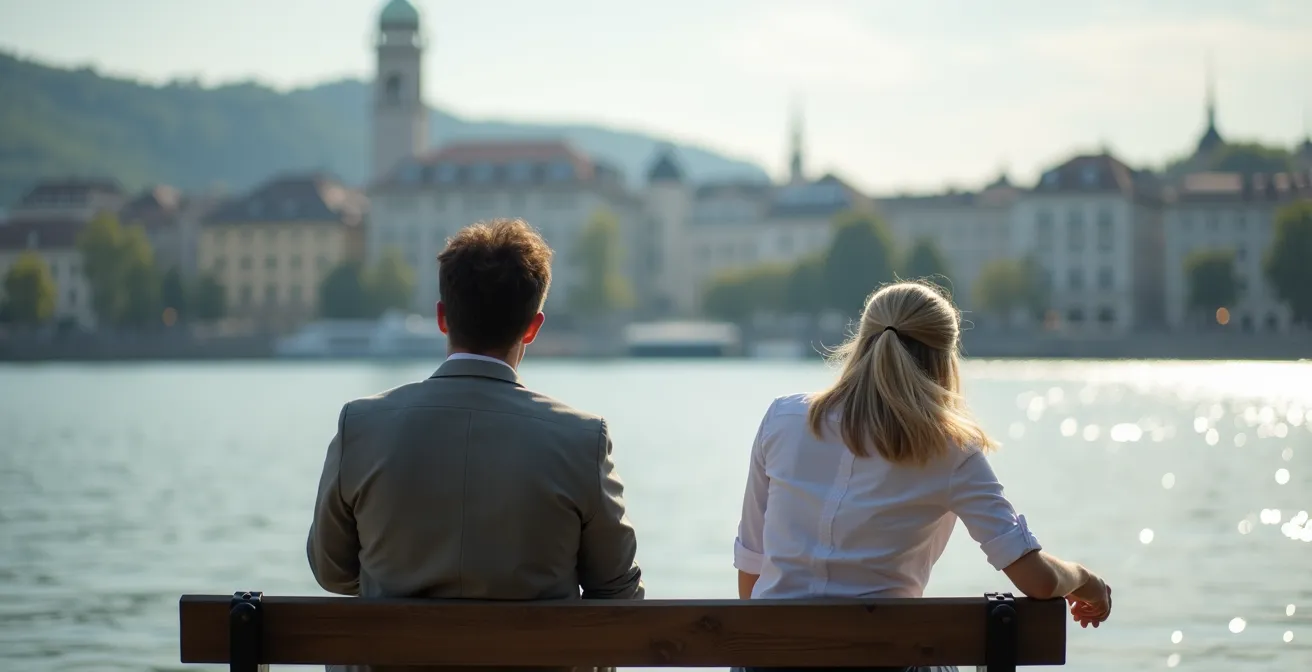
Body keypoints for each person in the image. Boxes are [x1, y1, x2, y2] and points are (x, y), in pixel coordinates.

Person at [307, 218, 643, 672]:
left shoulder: (361, 426)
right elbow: (617, 591)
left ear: (442, 317)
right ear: (533, 327)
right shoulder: (582, 439)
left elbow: (332, 572)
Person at [733, 281, 1111, 672]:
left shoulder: (782, 419)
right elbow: (1039, 581)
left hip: (768, 664)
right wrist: (1086, 580)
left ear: (861, 342)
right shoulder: (950, 450)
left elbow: (751, 567)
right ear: (945, 360)